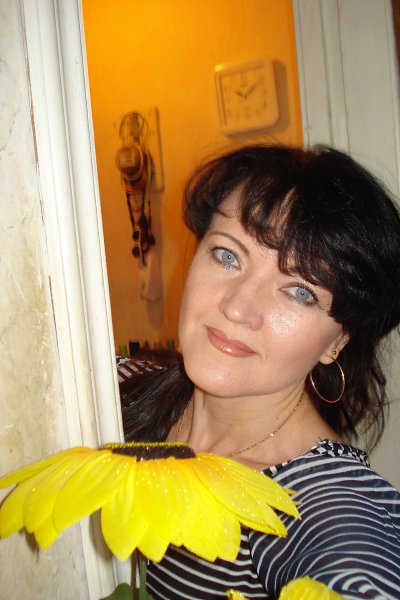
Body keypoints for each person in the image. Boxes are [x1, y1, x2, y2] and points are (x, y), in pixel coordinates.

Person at [119, 145, 400, 599]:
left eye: (300, 292)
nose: (237, 307)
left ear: (337, 341)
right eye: (227, 256)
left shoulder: (317, 503)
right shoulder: (114, 387)